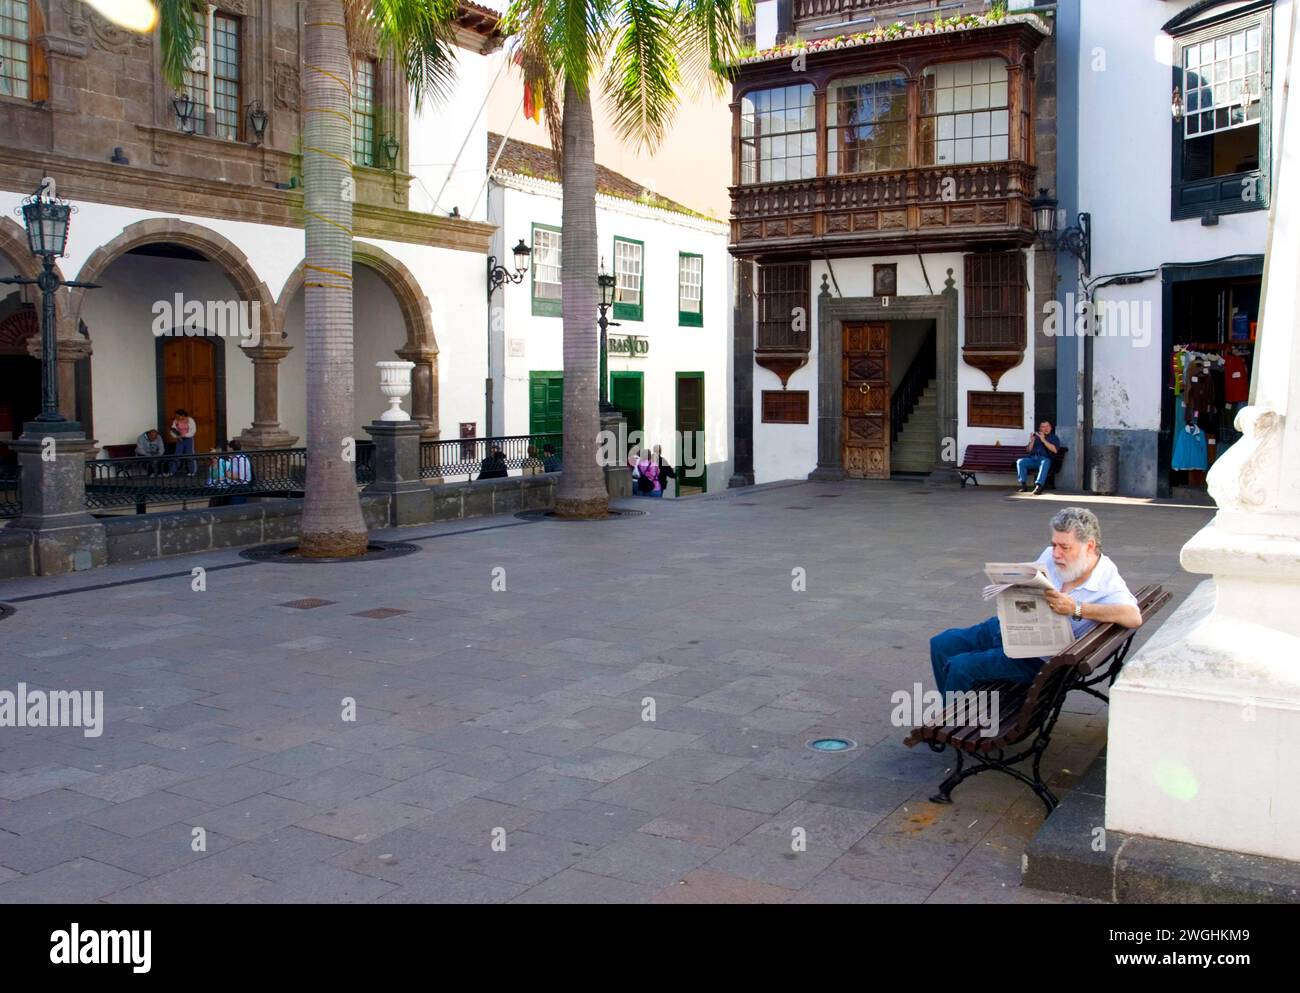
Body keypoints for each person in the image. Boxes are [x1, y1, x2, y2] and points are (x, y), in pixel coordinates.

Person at [929, 507, 1141, 696]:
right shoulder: (1051, 554)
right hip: (1009, 629)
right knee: (942, 643)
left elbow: (1133, 616)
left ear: (1089, 546)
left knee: (960, 666)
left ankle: (956, 728)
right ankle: (951, 715)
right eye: (1054, 544)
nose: (1056, 553)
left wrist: (1075, 608)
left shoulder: (1106, 580)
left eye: (1065, 547)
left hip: (1035, 659)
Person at [1017, 419, 1061, 495]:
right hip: (1033, 459)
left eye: (1047, 426)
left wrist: (1043, 440)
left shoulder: (1054, 438)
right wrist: (1032, 441)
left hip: (1044, 459)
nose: (1046, 428)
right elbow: (1028, 450)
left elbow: (1055, 450)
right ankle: (1023, 485)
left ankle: (1038, 486)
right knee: (1020, 461)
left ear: (1050, 427)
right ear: (1040, 429)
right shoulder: (1036, 437)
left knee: (1045, 462)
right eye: (1043, 427)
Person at [168, 408, 198, 476]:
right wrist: (177, 437)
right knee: (177, 455)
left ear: (183, 415)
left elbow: (193, 431)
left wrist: (184, 435)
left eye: (178, 416)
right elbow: (172, 431)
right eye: (176, 416)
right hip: (180, 439)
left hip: (188, 439)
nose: (177, 417)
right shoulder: (175, 421)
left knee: (190, 455)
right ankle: (172, 471)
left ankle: (192, 471)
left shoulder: (190, 420)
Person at [226, 440, 252, 504]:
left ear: (231, 448)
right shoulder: (233, 457)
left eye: (228, 447)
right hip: (233, 485)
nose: (226, 449)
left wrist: (229, 475)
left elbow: (242, 476)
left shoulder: (241, 459)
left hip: (240, 487)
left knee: (237, 506)